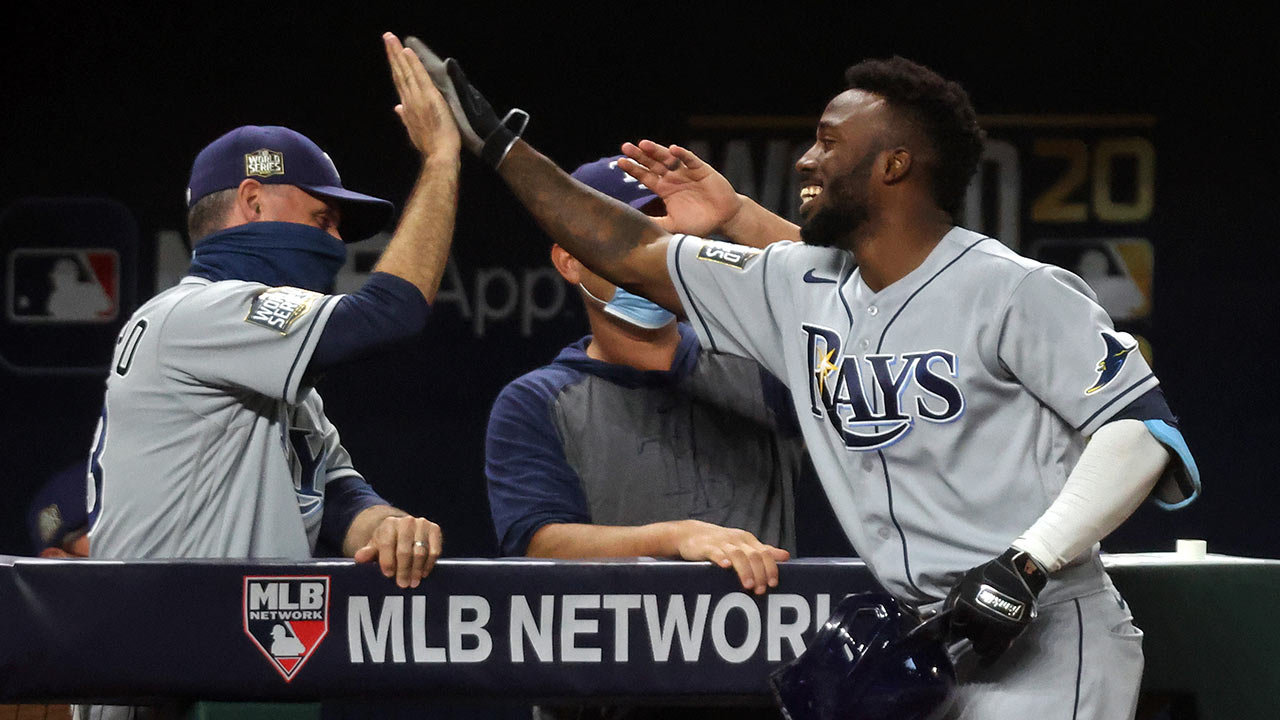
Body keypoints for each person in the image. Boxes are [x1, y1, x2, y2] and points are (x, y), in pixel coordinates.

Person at [413, 45, 1199, 719]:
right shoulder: (797, 286)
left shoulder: (1018, 288)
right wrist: (505, 155)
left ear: (894, 163)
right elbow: (627, 250)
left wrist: (1025, 564)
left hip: (1046, 633)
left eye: (828, 142)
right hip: (922, 643)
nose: (806, 159)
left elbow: (1139, 433)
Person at [87, 33, 457, 584]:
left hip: (203, 645)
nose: (336, 244)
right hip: (158, 640)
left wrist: (388, 526)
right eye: (321, 219)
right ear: (253, 200)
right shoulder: (194, 315)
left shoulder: (276, 384)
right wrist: (441, 159)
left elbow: (334, 496)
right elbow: (389, 313)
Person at [486, 154, 802, 597]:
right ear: (569, 261)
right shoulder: (537, 400)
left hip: (760, 645)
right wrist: (673, 538)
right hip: (620, 657)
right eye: (627, 240)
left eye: (669, 234)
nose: (653, 253)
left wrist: (739, 215)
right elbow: (539, 545)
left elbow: (862, 297)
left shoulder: (762, 361)